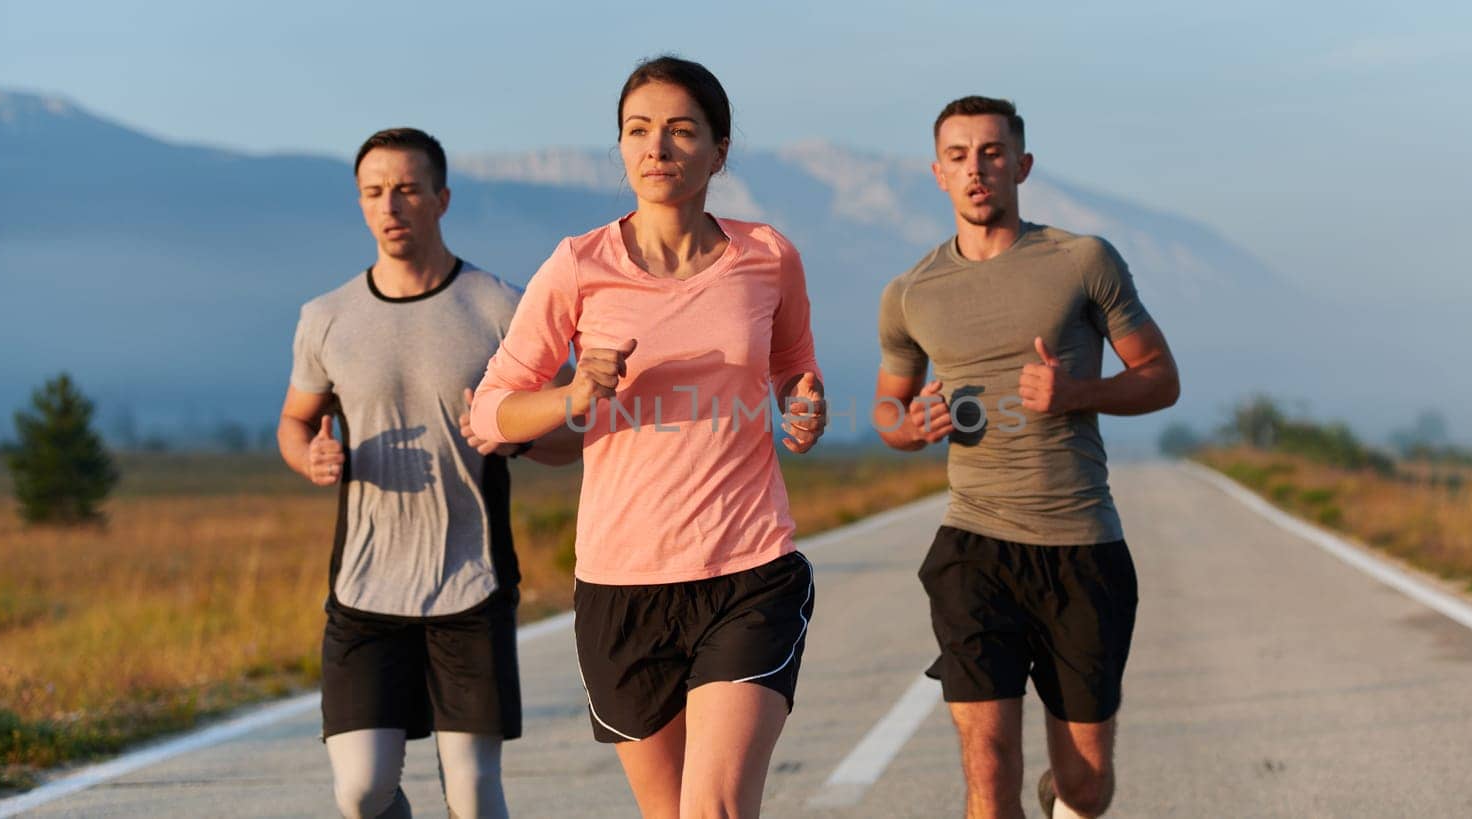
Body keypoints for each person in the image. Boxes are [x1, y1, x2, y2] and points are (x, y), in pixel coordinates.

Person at [468, 56, 826, 819]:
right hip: (621, 585)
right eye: (638, 130)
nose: (656, 147)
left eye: (680, 130)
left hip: (749, 568)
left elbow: (796, 371)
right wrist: (572, 394)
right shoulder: (578, 265)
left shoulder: (768, 256)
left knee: (715, 809)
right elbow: (490, 411)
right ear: (622, 148)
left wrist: (805, 406)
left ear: (718, 152)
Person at [872, 96, 1180, 819]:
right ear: (938, 173)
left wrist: (1078, 390)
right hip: (973, 544)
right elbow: (889, 409)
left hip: (1081, 546)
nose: (976, 169)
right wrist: (912, 427)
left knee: (1086, 781)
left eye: (991, 152)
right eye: (958, 156)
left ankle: (1064, 796)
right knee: (987, 765)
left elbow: (1161, 376)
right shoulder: (910, 293)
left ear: (1022, 165)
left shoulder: (1082, 260)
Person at [276, 127, 578, 819]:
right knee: (362, 790)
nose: (392, 206)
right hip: (365, 588)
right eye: (375, 192)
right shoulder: (325, 319)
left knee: (474, 792)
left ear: (441, 199)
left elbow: (574, 432)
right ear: (359, 203)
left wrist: (513, 437)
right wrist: (310, 455)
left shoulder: (501, 308)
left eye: (408, 189)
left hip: (470, 584)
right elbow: (293, 424)